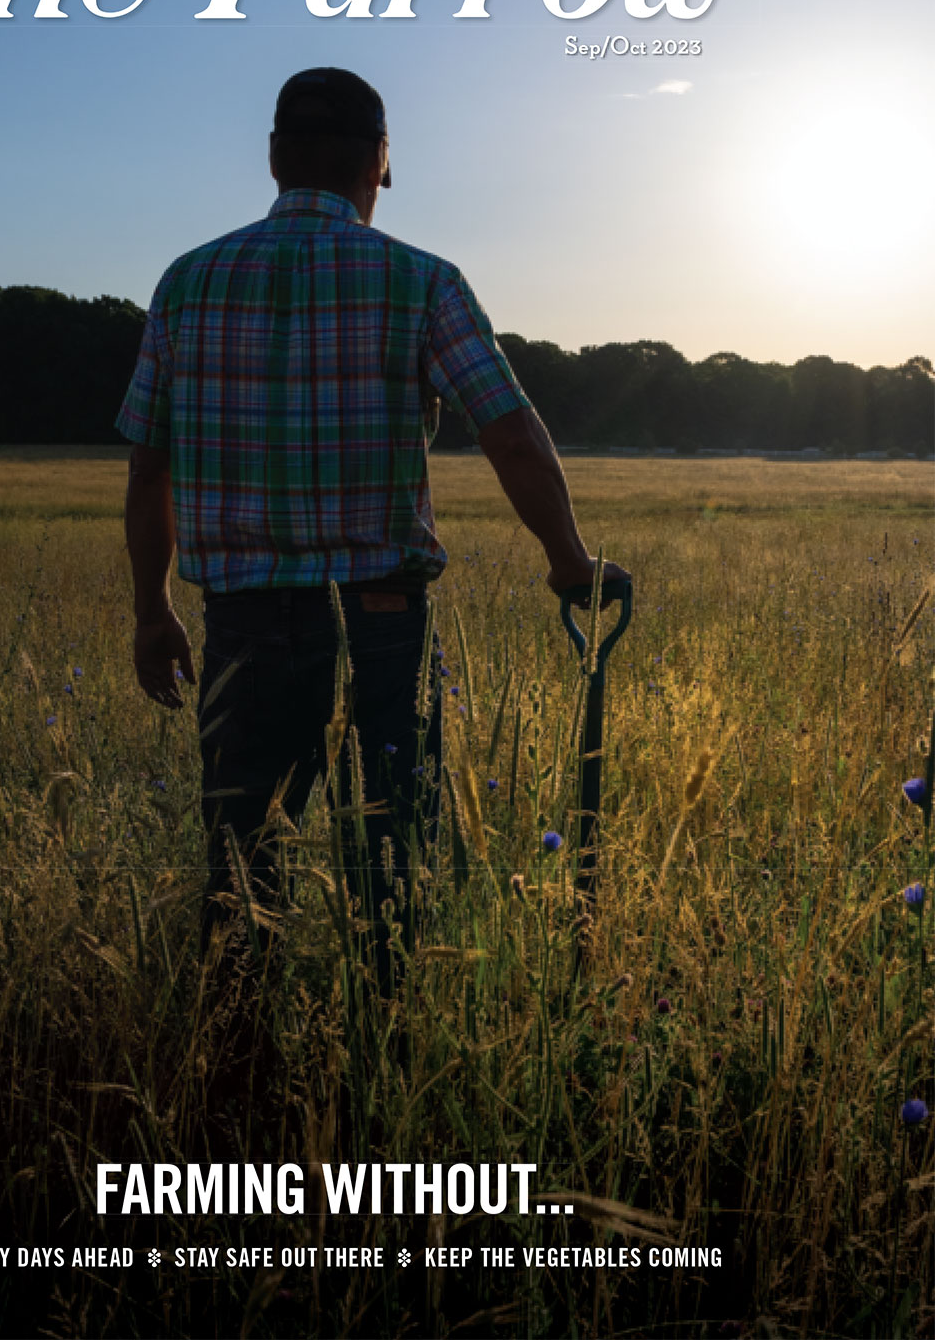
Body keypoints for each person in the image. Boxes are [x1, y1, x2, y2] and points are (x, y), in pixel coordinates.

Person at [117, 67, 629, 999]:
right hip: (382, 626)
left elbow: (149, 466)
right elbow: (508, 431)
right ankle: (381, 1051)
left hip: (240, 625)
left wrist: (153, 611)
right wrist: (570, 562)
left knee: (240, 865)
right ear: (381, 165)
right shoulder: (422, 281)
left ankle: (230, 1073)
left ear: (273, 157)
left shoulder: (186, 284)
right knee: (390, 858)